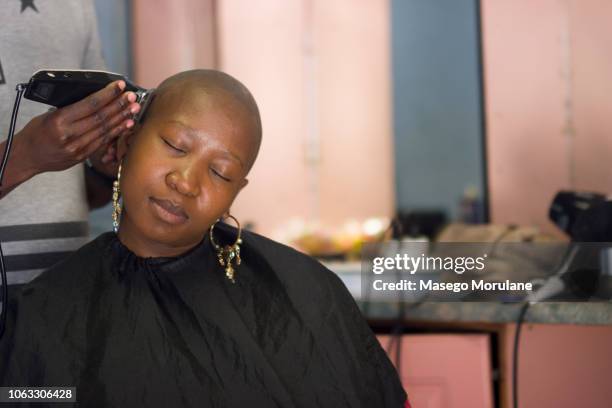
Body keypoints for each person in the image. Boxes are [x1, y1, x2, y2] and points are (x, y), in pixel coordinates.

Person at [0, 70, 409, 407]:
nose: (186, 182)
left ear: (237, 191)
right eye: (175, 146)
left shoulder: (305, 292)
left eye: (220, 173)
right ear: (126, 143)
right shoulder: (44, 314)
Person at [0, 0, 140, 286]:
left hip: (63, 292)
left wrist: (104, 167)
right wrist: (26, 155)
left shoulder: (75, 5)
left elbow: (80, 192)